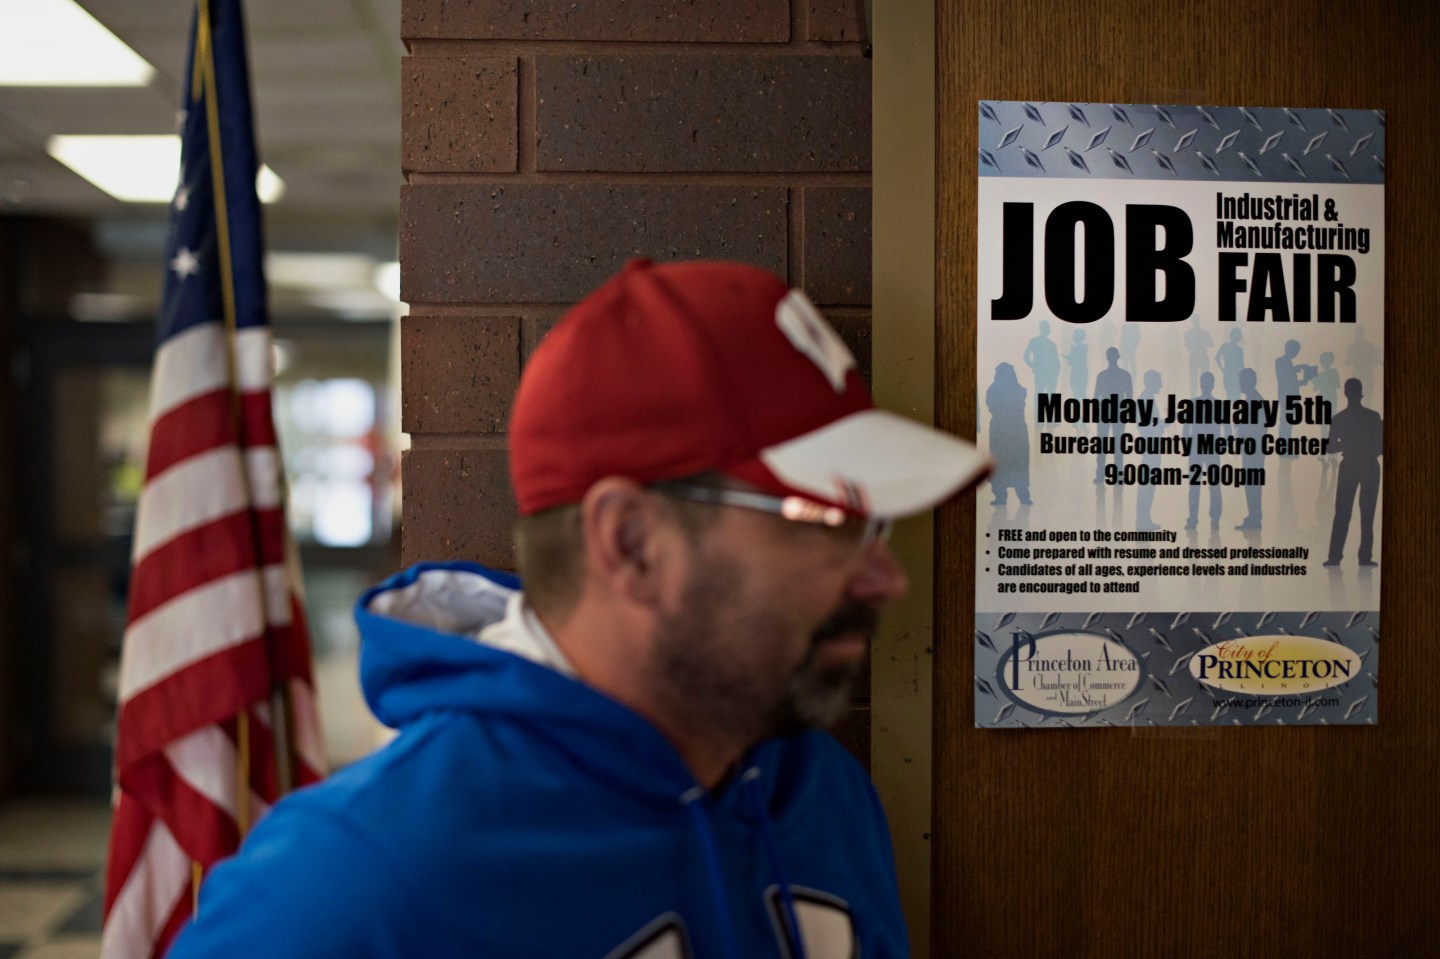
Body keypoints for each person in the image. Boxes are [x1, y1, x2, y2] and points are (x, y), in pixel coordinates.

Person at [166, 259, 989, 958]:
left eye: (874, 523)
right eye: (826, 520)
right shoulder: (353, 884)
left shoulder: (821, 793)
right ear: (632, 543)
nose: (886, 576)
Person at [1324, 377, 1382, 567]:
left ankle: (1334, 557)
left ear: (1346, 393)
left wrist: (1347, 444)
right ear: (1360, 392)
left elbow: (1331, 447)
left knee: (1342, 513)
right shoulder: (1373, 417)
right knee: (1367, 514)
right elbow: (1381, 447)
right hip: (1369, 465)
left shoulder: (1340, 418)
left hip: (1349, 465)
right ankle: (1364, 557)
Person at [985, 362, 1031, 505]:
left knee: (1000, 462)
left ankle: (1000, 496)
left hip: (1000, 430)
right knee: (1019, 462)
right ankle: (1023, 496)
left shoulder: (993, 389)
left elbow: (991, 406)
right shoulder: (1020, 389)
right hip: (1017, 430)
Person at [1093, 346, 1132, 483]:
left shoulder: (1102, 375)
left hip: (1105, 412)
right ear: (1118, 357)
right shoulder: (1125, 375)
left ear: (1107, 358)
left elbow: (1096, 397)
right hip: (1118, 412)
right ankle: (1119, 475)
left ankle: (1100, 476)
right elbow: (1129, 397)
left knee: (1103, 446)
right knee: (1117, 445)